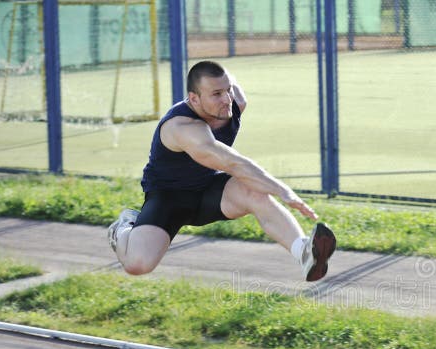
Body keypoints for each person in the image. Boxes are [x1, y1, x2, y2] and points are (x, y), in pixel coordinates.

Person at [107, 60, 335, 282]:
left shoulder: (235, 102)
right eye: (216, 94)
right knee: (137, 265)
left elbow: (227, 87)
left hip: (211, 191)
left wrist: (225, 85)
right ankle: (124, 228)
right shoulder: (183, 128)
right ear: (194, 98)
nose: (226, 99)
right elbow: (233, 163)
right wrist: (284, 191)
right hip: (169, 199)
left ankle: (304, 251)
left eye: (227, 90)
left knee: (253, 191)